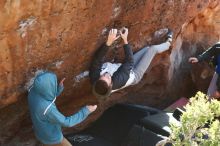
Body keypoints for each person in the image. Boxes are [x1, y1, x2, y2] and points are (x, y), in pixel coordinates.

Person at [89, 27, 173, 98]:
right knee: (152, 49)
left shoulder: (94, 77)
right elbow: (129, 62)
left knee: (147, 49)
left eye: (103, 76)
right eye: (108, 78)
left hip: (123, 68)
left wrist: (109, 42)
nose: (106, 74)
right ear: (111, 84)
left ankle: (159, 45)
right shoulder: (119, 80)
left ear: (97, 80)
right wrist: (125, 39)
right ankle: (168, 42)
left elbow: (97, 59)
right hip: (135, 74)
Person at [28, 72, 97, 146]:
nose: (55, 83)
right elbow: (67, 122)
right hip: (52, 138)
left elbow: (46, 97)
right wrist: (86, 111)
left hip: (40, 131)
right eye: (53, 84)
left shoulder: (33, 91)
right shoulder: (48, 109)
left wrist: (58, 89)